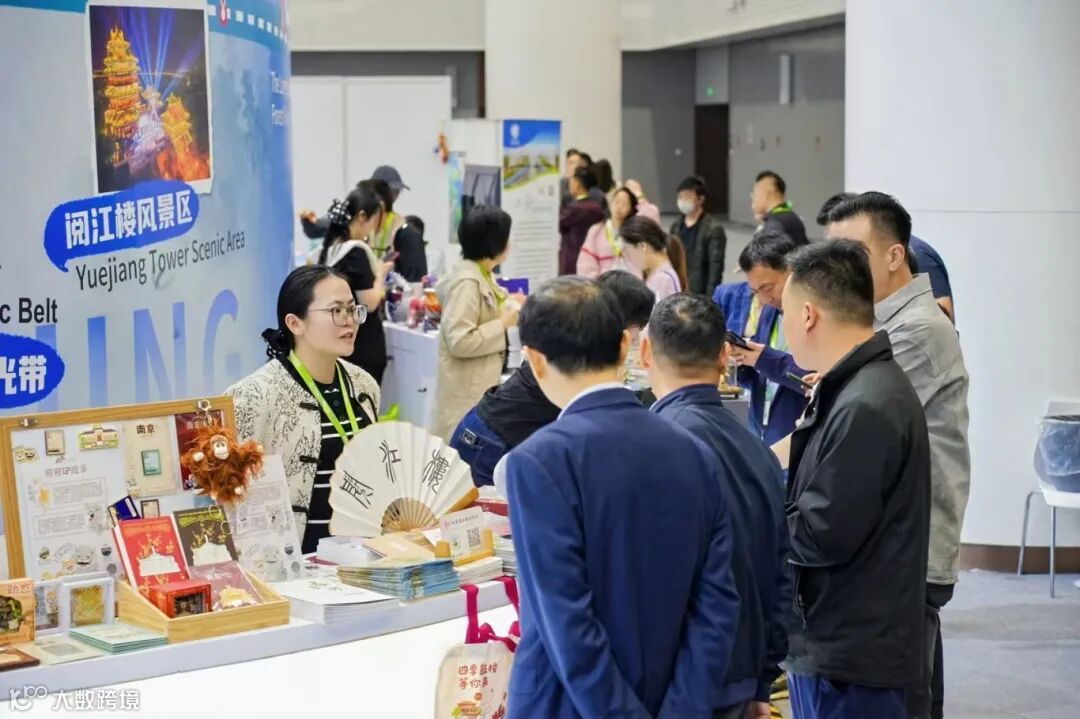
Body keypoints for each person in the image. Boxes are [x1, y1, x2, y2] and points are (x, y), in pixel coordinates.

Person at [504, 276, 739, 717]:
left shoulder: (538, 461)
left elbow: (566, 621)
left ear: (534, 360)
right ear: (624, 345)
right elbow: (717, 607)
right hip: (675, 699)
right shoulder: (693, 451)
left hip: (568, 706)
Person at [826, 191, 971, 719]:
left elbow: (843, 414)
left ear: (895, 255)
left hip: (910, 546)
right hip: (897, 543)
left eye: (853, 254)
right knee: (915, 689)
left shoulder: (917, 331)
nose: (840, 270)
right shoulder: (883, 322)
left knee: (903, 696)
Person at [779, 239, 930, 719]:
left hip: (852, 657)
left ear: (808, 315)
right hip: (842, 644)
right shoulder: (856, 388)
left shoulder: (867, 404)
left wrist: (750, 511)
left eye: (783, 313)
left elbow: (822, 532)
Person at [644, 294, 790, 719]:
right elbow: (779, 571)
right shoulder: (757, 449)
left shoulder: (654, 447)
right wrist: (761, 680)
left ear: (645, 351)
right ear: (725, 355)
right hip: (741, 677)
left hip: (678, 687)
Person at [226, 266, 380, 554]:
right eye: (336, 311)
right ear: (295, 323)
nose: (349, 321)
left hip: (363, 557)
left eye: (352, 309)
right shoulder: (253, 396)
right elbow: (231, 495)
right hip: (296, 562)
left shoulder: (364, 385)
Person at [451, 271, 655, 486]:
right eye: (639, 325)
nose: (637, 335)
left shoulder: (574, 333)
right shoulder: (583, 349)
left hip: (490, 429)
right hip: (491, 440)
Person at [430, 206, 522, 440]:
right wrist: (502, 324)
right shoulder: (467, 284)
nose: (509, 244)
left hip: (475, 390)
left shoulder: (482, 275)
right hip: (465, 396)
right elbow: (459, 341)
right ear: (494, 242)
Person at [726, 230, 812, 446]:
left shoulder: (817, 316)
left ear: (792, 270)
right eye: (756, 292)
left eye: (768, 288)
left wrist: (764, 359)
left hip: (797, 437)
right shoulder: (770, 310)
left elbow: (816, 379)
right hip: (763, 428)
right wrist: (740, 362)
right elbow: (761, 373)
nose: (764, 299)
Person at [818, 192, 955, 321]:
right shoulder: (875, 314)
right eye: (832, 256)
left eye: (852, 254)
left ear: (894, 257)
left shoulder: (917, 327)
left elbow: (943, 305)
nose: (835, 269)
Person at [316, 186, 394, 383]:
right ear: (361, 216)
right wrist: (380, 275)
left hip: (341, 340)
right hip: (363, 345)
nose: (373, 229)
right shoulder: (355, 253)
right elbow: (369, 302)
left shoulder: (331, 249)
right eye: (374, 220)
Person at [576, 186, 661, 278]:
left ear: (630, 209)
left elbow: (653, 215)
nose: (619, 207)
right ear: (610, 204)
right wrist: (595, 282)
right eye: (617, 202)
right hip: (605, 282)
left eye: (625, 204)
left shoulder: (634, 231)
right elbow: (586, 262)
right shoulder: (596, 231)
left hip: (633, 281)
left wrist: (639, 196)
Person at [670, 175, 727, 295]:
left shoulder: (713, 229)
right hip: (678, 288)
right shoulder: (675, 226)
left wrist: (710, 298)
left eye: (687, 196)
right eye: (680, 197)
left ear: (700, 199)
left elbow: (715, 268)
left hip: (699, 291)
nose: (682, 200)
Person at [364, 178, 427, 282]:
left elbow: (416, 281)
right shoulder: (365, 231)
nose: (395, 196)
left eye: (397, 191)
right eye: (393, 191)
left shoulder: (407, 234)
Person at [621, 215, 688, 303]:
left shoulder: (665, 278)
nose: (629, 258)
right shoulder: (656, 275)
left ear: (642, 246)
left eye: (628, 251)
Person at [558, 166, 606, 275]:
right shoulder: (597, 208)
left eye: (572, 181)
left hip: (571, 262)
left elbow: (558, 224)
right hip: (592, 262)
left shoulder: (574, 209)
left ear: (577, 184)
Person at [752, 170, 808, 246]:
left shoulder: (774, 225)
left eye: (755, 194)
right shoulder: (792, 217)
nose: (753, 199)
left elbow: (768, 250)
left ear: (766, 194)